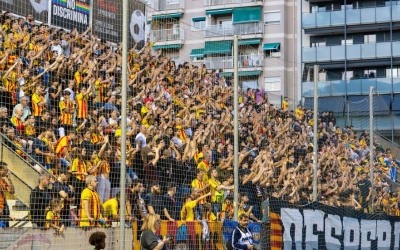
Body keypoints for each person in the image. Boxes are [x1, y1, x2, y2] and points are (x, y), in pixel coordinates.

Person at [0, 162, 14, 227]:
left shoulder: (3, 181)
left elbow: (12, 191)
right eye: (5, 170)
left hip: (4, 208)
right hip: (1, 208)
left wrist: (9, 179)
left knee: (5, 229)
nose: (7, 172)